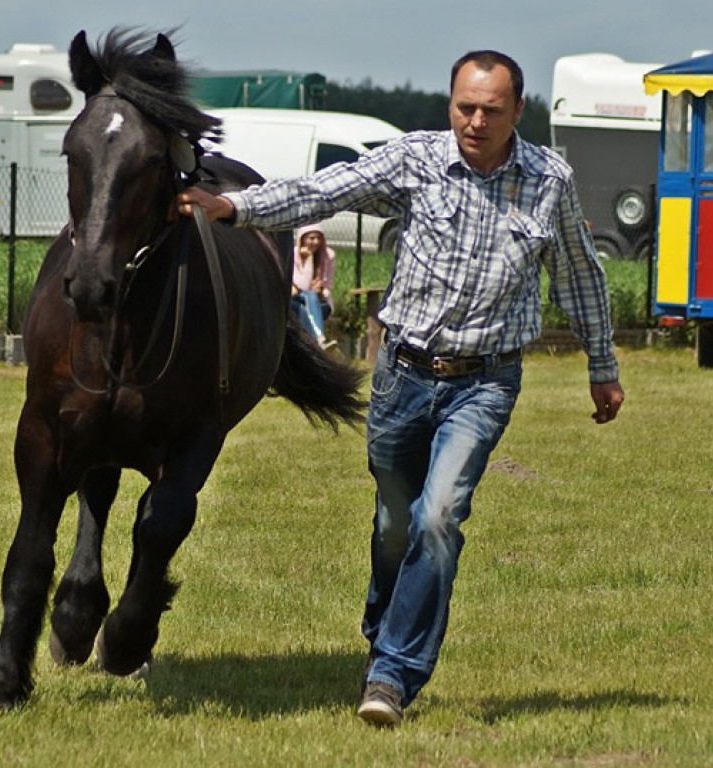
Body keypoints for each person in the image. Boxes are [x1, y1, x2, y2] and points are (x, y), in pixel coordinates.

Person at [176, 50, 625, 727]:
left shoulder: (548, 181)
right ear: (450, 104)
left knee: (438, 517)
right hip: (404, 375)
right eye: (464, 107)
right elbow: (325, 191)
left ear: (517, 113)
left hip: (485, 381)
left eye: (491, 111)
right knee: (394, 524)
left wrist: (602, 363)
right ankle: (384, 627)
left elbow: (580, 275)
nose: (475, 122)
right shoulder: (414, 159)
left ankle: (392, 674)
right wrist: (234, 206)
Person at [291, 223, 336, 348]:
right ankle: (319, 339)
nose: (316, 242)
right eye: (311, 238)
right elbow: (303, 286)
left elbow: (328, 286)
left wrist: (321, 291)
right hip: (296, 299)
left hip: (318, 302)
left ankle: (313, 343)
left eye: (318, 238)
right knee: (308, 296)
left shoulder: (329, 255)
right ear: (302, 239)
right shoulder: (293, 254)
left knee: (308, 308)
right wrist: (309, 258)